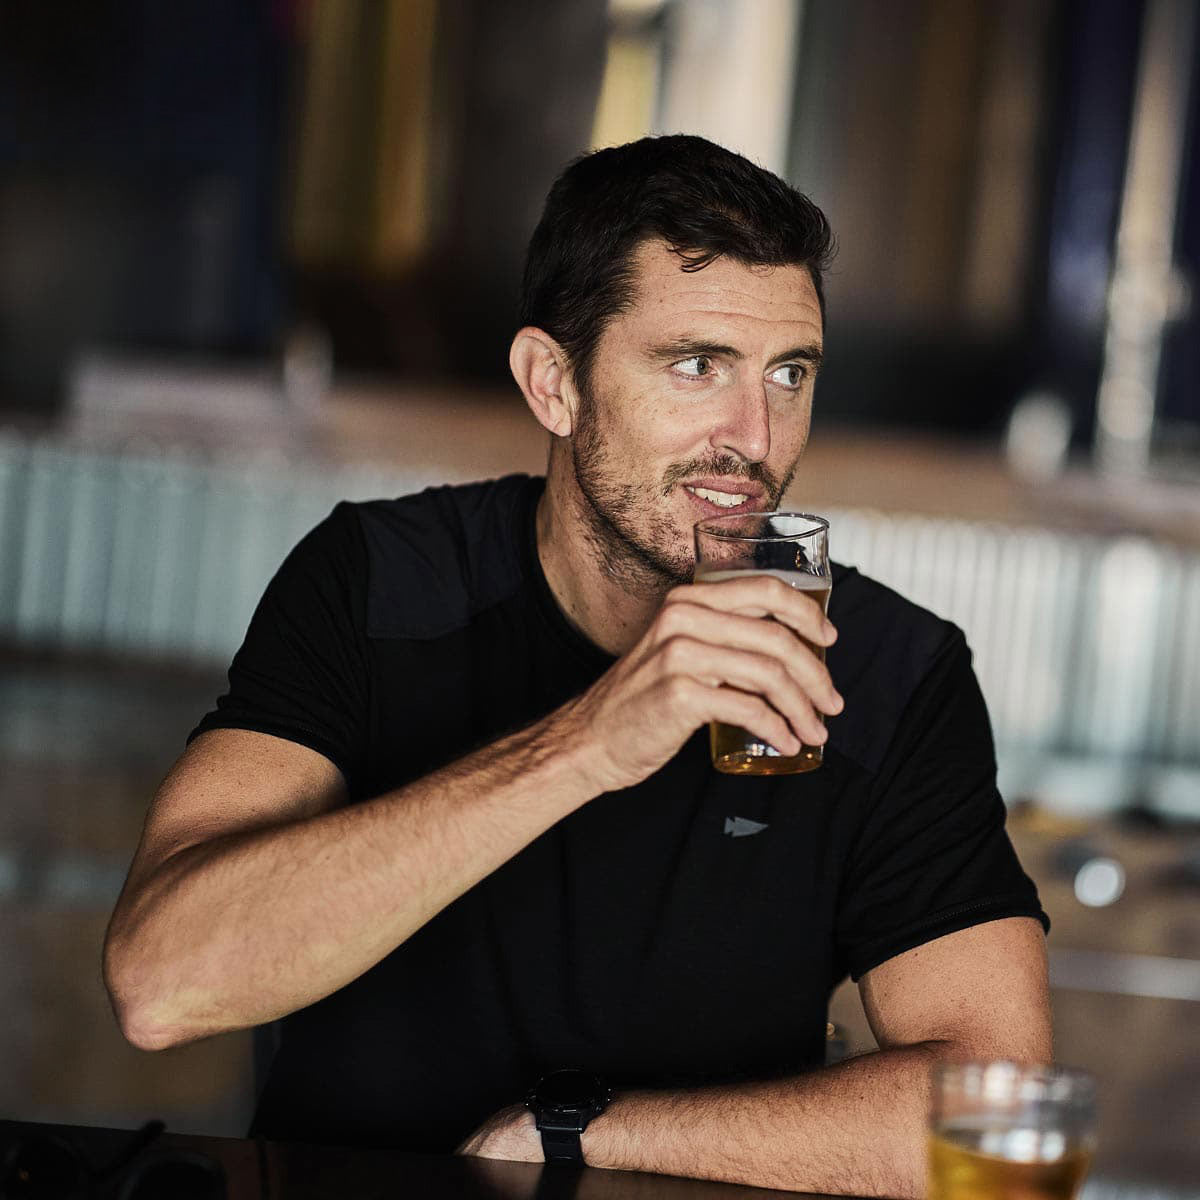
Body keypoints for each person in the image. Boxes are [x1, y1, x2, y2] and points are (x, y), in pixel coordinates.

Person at [103, 135, 1050, 1198]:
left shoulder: (885, 670)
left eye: (790, 373)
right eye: (696, 366)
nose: (755, 436)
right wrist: (589, 742)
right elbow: (162, 985)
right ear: (553, 383)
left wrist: (582, 1135)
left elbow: (1002, 1133)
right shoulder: (383, 583)